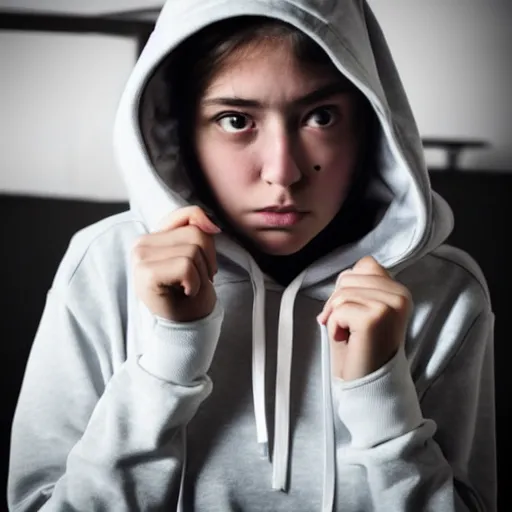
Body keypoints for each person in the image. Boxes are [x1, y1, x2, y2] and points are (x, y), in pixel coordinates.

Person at [8, 1, 496, 511]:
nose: (282, 172)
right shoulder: (106, 264)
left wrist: (381, 400)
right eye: (235, 119)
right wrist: (171, 354)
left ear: (370, 127)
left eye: (321, 116)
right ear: (177, 134)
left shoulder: (444, 290)